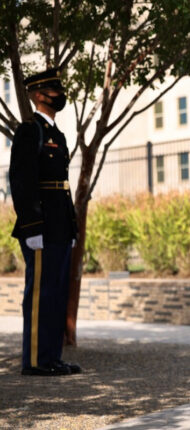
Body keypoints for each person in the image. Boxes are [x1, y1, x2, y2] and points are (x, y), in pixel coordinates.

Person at [9, 67, 81, 376]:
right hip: (41, 227)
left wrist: (72, 226)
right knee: (39, 294)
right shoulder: (30, 130)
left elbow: (62, 186)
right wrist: (32, 227)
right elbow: (22, 181)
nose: (59, 95)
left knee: (56, 292)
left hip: (60, 226)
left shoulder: (57, 134)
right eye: (54, 90)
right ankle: (35, 360)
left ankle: (51, 357)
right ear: (39, 95)